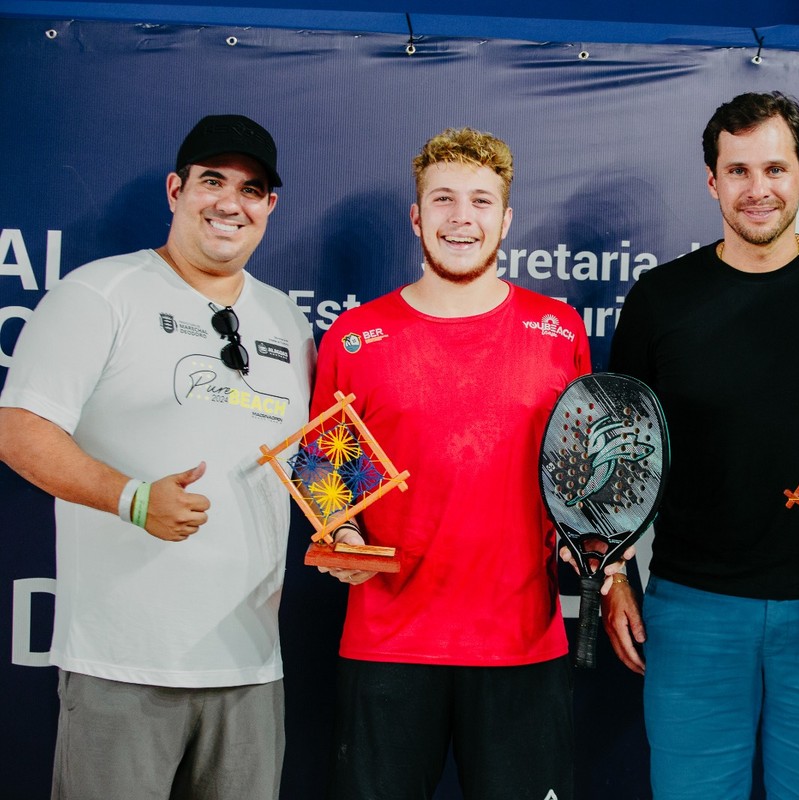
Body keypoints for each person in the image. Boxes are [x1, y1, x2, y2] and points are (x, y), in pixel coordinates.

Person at [602, 91, 799, 799]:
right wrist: (614, 573)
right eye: (739, 170)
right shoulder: (661, 297)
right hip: (693, 606)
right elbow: (619, 453)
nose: (758, 189)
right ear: (711, 181)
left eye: (775, 169)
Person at [0, 114, 314, 799]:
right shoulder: (99, 293)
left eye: (251, 189)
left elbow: (315, 455)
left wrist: (346, 530)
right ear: (175, 190)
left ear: (270, 207)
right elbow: (19, 430)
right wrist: (132, 498)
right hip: (122, 664)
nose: (230, 202)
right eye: (212, 181)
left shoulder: (287, 320)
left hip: (250, 668)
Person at [313, 127, 590, 800]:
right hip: (388, 648)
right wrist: (343, 533)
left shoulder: (559, 330)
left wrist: (597, 547)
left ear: (506, 218)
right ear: (416, 217)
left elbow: (583, 479)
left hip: (522, 645)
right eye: (442, 200)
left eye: (479, 201)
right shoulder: (355, 337)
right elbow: (325, 472)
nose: (460, 218)